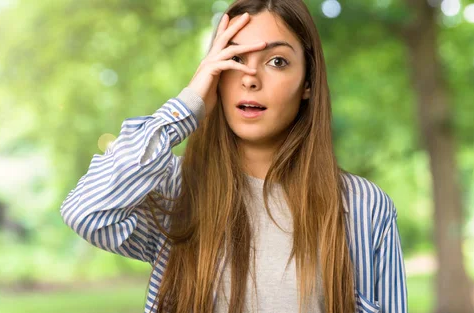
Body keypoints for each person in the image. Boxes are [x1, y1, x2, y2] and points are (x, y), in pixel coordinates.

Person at [60, 0, 408, 312]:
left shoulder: (364, 208)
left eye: (276, 61)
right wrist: (188, 105)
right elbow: (86, 211)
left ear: (308, 84)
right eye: (234, 59)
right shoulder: (174, 191)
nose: (250, 78)